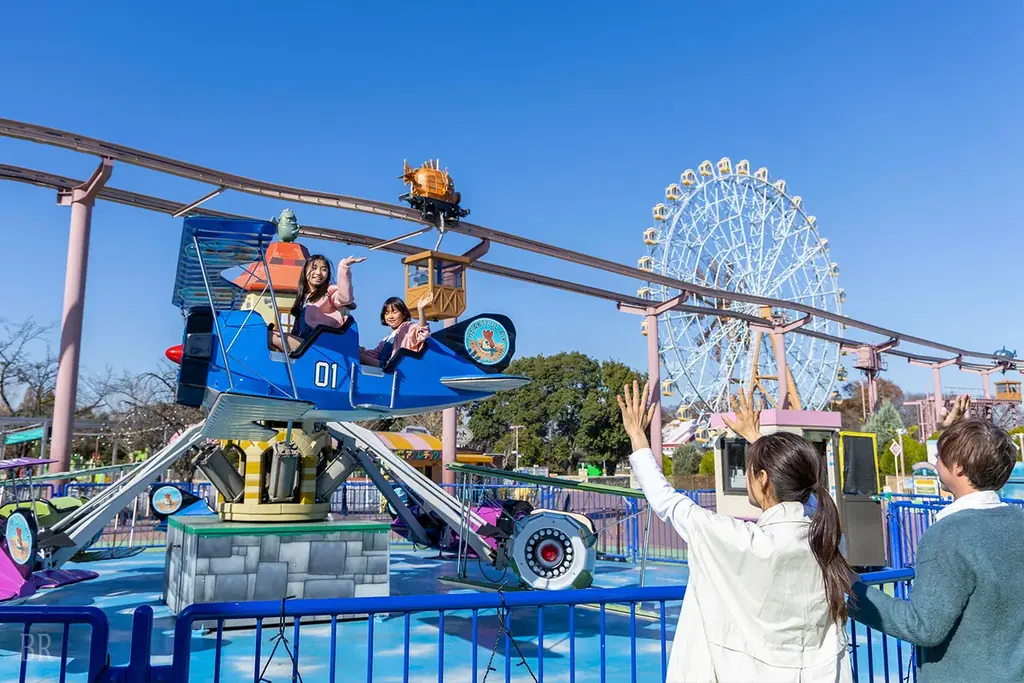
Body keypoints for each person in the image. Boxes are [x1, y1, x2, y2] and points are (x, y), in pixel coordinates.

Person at [619, 383, 853, 682]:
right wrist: (757, 441)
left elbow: (666, 500)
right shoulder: (829, 541)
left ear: (763, 479)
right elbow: (803, 492)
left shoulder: (739, 540)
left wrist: (637, 435)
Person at [847, 394, 1024, 683]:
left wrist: (856, 594)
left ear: (958, 467)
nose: (935, 461)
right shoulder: (1017, 521)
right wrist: (951, 428)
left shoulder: (950, 534)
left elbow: (924, 626)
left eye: (940, 456)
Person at [270, 254, 365, 353]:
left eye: (324, 269)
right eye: (314, 268)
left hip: (320, 346)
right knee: (267, 335)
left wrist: (343, 267)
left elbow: (345, 298)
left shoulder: (329, 292)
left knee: (271, 337)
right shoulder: (304, 299)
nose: (318, 273)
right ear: (305, 271)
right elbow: (297, 331)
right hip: (304, 343)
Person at [360, 291, 434, 367]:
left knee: (362, 358)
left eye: (394, 312)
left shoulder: (408, 329)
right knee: (360, 356)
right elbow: (375, 354)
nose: (390, 316)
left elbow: (423, 333)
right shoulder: (386, 340)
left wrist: (420, 310)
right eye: (386, 313)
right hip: (385, 368)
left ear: (404, 314)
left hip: (398, 368)